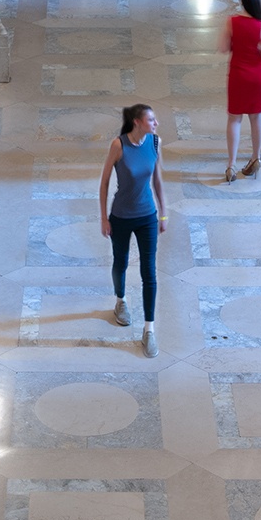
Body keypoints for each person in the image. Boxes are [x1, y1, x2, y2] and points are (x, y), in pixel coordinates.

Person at [96, 103, 165, 356]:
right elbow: (104, 183)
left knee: (149, 272)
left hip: (147, 215)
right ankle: (120, 300)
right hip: (122, 216)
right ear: (137, 122)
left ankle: (149, 330)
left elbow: (157, 180)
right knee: (120, 262)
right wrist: (104, 218)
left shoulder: (155, 143)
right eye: (151, 120)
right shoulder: (119, 145)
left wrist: (163, 213)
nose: (155, 124)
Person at [226, 0, 261, 180]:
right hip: (257, 76)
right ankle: (255, 157)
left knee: (234, 119)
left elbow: (223, 47)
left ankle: (231, 164)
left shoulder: (231, 23)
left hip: (238, 74)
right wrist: (260, 47)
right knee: (256, 118)